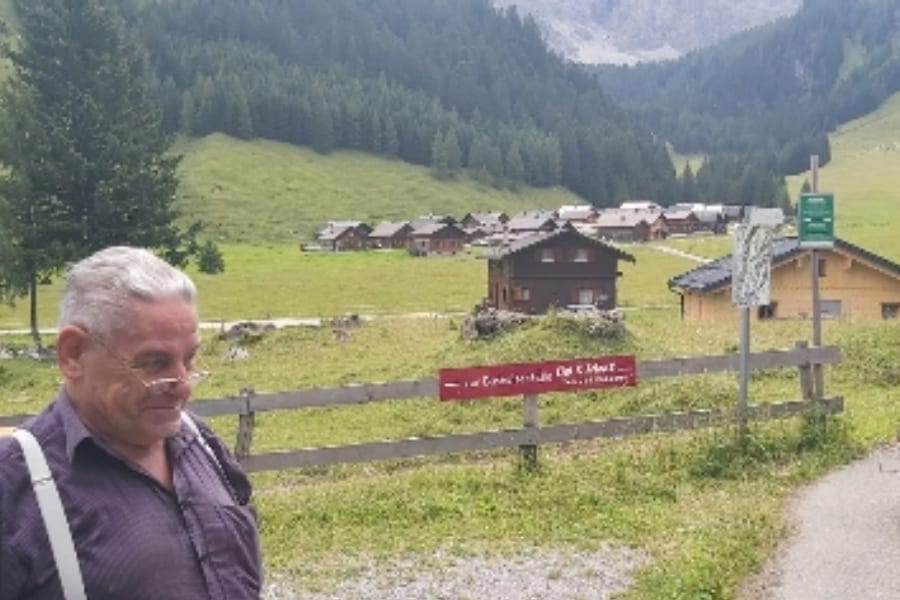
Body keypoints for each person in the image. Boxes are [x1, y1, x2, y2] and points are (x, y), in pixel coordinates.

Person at [0, 246, 262, 599]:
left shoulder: (201, 441)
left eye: (189, 359)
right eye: (154, 362)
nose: (183, 385)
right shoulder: (14, 486)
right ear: (73, 354)